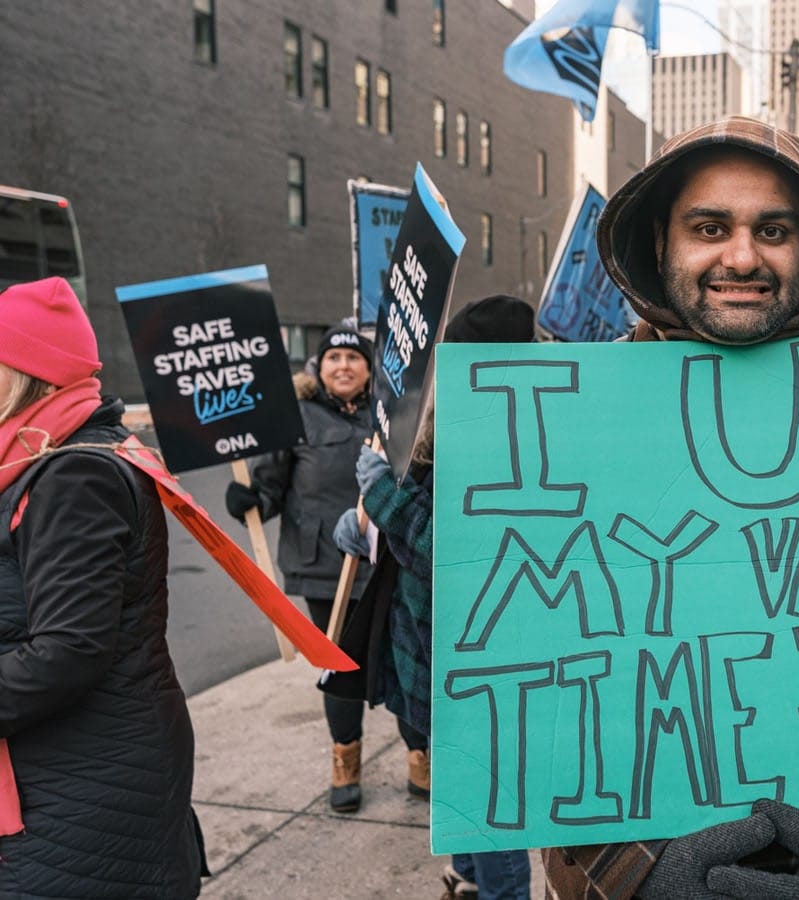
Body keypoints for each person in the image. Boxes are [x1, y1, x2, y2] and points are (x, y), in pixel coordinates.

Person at [537, 116, 799, 899]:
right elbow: (521, 687)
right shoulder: (553, 429)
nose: (742, 256)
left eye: (774, 229)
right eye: (709, 227)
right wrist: (635, 871)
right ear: (657, 245)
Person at [0, 277, 205, 896]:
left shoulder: (73, 474)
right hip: (75, 764)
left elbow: (69, 651)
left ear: (23, 371)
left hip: (88, 779)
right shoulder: (43, 451)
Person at [332, 295, 536, 900]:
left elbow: (463, 557)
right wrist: (366, 525)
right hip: (425, 649)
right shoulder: (438, 426)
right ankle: (469, 876)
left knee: (486, 801)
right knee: (458, 784)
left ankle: (497, 888)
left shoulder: (515, 440)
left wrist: (385, 502)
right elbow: (408, 518)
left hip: (476, 661)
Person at [224, 324, 426, 813]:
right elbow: (270, 489)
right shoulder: (295, 418)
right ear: (319, 366)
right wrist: (250, 499)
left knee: (403, 659)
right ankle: (345, 759)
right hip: (324, 568)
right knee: (338, 668)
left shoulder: (393, 415)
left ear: (368, 368)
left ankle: (420, 756)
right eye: (333, 357)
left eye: (353, 358)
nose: (343, 366)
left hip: (386, 563)